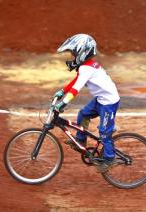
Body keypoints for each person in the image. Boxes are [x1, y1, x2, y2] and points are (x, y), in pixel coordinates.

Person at [53, 34, 120, 172]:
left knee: (104, 133)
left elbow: (76, 89)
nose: (72, 57)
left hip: (109, 103)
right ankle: (81, 140)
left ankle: (110, 159)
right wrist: (62, 91)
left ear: (82, 52)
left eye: (73, 54)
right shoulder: (85, 67)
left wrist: (63, 103)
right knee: (83, 114)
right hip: (101, 99)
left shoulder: (86, 68)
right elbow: (76, 81)